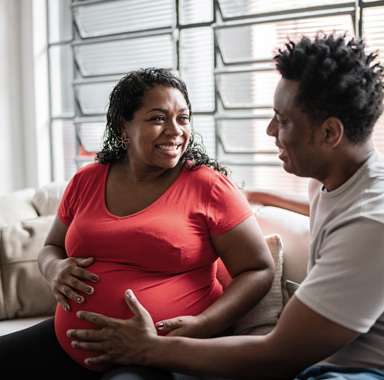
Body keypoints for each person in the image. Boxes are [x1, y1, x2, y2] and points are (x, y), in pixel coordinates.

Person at [66, 34, 384, 380]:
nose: (270, 130)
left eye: (282, 120)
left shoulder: (379, 222)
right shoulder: (338, 179)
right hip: (347, 368)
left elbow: (277, 355)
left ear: (330, 133)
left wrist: (149, 350)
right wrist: (263, 198)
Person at [0, 68, 275, 379]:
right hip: (70, 344)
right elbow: (52, 246)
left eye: (182, 118)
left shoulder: (208, 187)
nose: (175, 130)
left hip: (164, 351)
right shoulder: (86, 180)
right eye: (158, 118)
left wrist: (204, 324)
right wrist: (52, 269)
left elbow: (258, 269)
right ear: (124, 125)